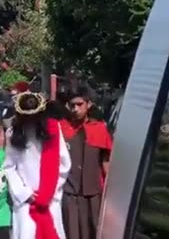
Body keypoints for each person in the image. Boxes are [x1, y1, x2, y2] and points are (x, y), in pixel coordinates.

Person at [4, 92, 71, 239]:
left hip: (50, 199)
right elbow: (9, 167)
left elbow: (64, 164)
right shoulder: (12, 133)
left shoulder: (53, 130)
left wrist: (48, 191)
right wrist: (24, 193)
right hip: (25, 202)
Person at [59, 87, 112, 239]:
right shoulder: (61, 128)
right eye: (72, 105)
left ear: (88, 105)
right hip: (69, 192)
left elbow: (106, 159)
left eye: (79, 104)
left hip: (93, 192)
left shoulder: (99, 129)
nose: (75, 109)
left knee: (95, 231)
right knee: (71, 232)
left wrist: (109, 189)